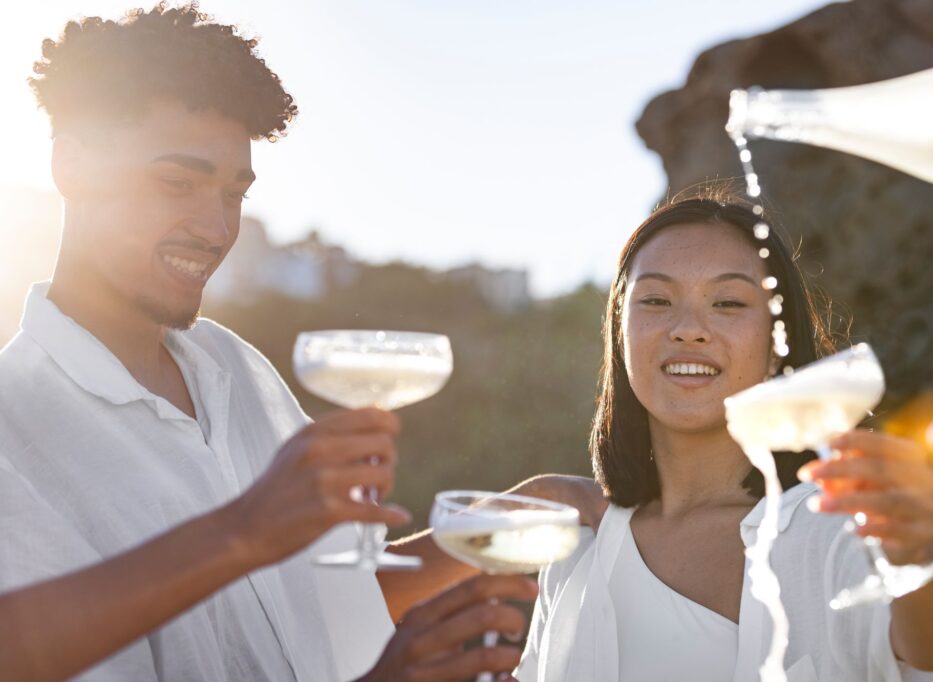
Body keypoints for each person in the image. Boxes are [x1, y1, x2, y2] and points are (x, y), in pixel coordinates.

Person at [0, 5, 594, 679]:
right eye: (177, 182)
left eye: (234, 193)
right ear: (71, 163)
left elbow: (319, 603)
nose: (215, 228)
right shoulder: (13, 431)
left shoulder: (236, 369)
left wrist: (509, 518)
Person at [515, 191, 933, 681]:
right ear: (619, 330)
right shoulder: (578, 553)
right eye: (655, 300)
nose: (688, 329)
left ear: (776, 345)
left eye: (728, 302)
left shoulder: (832, 527)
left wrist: (916, 551)